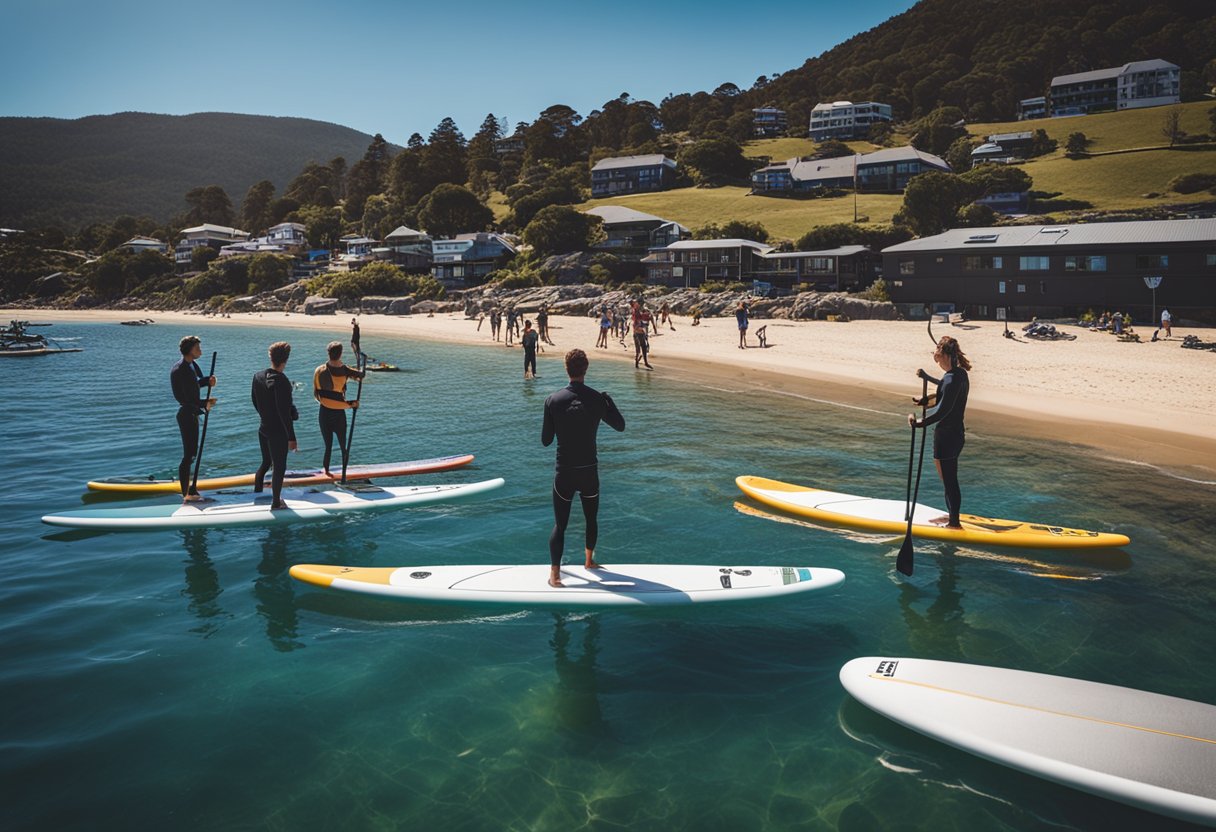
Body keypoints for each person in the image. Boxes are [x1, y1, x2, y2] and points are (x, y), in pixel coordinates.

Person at [541, 349, 626, 587]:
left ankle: (555, 575)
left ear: (566, 369)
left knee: (561, 524)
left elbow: (546, 441)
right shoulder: (598, 399)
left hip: (564, 473)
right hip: (589, 471)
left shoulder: (553, 400)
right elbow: (620, 426)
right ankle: (589, 562)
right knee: (591, 519)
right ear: (586, 369)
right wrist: (610, 403)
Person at [908, 336, 972, 529]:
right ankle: (952, 514)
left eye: (937, 354)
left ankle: (954, 523)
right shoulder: (958, 375)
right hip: (952, 434)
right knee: (947, 478)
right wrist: (925, 401)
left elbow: (944, 409)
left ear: (945, 355)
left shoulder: (952, 378)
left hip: (948, 436)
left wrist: (919, 423)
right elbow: (943, 397)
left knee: (950, 479)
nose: (936, 359)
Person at [252, 341, 298, 510]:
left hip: (263, 428)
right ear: (286, 360)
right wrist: (291, 438)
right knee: (279, 467)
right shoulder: (283, 381)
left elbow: (255, 402)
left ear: (270, 357)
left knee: (265, 462)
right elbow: (284, 413)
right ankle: (276, 502)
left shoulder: (257, 376)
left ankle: (256, 492)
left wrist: (266, 416)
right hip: (277, 432)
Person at [170, 335, 216, 503]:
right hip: (187, 414)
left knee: (192, 454)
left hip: (190, 413)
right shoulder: (182, 369)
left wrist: (207, 381)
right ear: (190, 350)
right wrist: (206, 403)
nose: (200, 350)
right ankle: (186, 494)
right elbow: (189, 397)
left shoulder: (190, 365)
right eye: (197, 348)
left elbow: (195, 384)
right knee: (188, 456)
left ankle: (190, 489)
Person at [313, 340, 364, 476]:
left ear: (328, 353)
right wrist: (350, 404)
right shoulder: (344, 370)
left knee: (329, 446)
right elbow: (360, 376)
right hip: (338, 414)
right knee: (343, 446)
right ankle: (343, 473)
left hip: (324, 413)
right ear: (340, 354)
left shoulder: (319, 370)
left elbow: (319, 396)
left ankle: (327, 472)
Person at [631, 300, 652, 369]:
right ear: (634, 305)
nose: (637, 304)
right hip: (638, 333)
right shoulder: (635, 313)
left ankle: (637, 364)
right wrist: (638, 328)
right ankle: (644, 363)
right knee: (642, 348)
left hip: (638, 332)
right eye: (635, 303)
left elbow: (640, 319)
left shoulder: (637, 312)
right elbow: (636, 322)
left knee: (640, 349)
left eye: (637, 303)